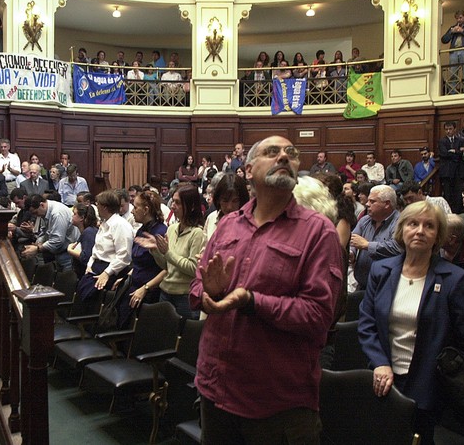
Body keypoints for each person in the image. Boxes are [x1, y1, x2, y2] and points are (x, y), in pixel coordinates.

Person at [189, 136, 342, 443]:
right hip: (216, 385)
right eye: (272, 152)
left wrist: (251, 301)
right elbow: (198, 285)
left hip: (276, 401)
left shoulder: (318, 231)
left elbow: (318, 315)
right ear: (247, 170)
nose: (284, 157)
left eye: (292, 154)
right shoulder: (229, 224)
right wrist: (209, 293)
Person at [358, 201, 464, 444]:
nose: (420, 231)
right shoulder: (381, 270)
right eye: (413, 223)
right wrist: (379, 363)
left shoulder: (455, 279)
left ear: (438, 236)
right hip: (382, 377)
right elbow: (367, 324)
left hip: (428, 382)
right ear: (402, 231)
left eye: (429, 226)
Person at [137, 183, 205, 319]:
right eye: (173, 201)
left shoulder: (197, 233)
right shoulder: (172, 229)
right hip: (165, 292)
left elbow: (193, 269)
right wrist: (156, 250)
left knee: (182, 338)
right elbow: (166, 265)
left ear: (191, 206)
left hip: (184, 297)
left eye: (178, 203)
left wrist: (167, 252)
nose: (172, 206)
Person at [117, 191, 168, 329]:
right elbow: (140, 261)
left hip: (148, 291)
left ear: (146, 210)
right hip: (135, 284)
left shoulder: (161, 232)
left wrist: (145, 288)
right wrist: (127, 277)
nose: (132, 211)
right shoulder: (142, 230)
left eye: (136, 207)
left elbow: (167, 269)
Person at [76, 190, 133, 309]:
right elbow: (97, 248)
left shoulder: (120, 225)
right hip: (96, 267)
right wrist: (90, 265)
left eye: (98, 205)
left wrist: (107, 273)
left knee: (90, 300)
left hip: (110, 270)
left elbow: (124, 256)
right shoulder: (104, 223)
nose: (96, 208)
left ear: (105, 207)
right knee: (80, 295)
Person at [350, 185, 401, 289]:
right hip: (362, 283)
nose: (367, 204)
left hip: (387, 286)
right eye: (368, 201)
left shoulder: (400, 222)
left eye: (372, 202)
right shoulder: (365, 220)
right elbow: (353, 240)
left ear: (387, 204)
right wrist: (351, 253)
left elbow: (397, 247)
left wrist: (368, 245)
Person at [21, 194, 79, 272]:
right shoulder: (45, 211)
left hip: (68, 255)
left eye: (35, 212)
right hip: (59, 253)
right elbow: (44, 232)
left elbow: (57, 240)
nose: (36, 215)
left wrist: (37, 249)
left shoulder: (57, 213)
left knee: (66, 281)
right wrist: (38, 242)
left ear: (42, 205)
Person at [203, 173, 250, 240]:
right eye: (225, 201)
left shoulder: (249, 225)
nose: (229, 207)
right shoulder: (211, 218)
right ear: (218, 200)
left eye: (235, 201)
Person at [441, 10, 464, 94]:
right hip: (454, 51)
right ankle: (452, 92)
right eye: (457, 18)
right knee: (453, 72)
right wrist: (451, 32)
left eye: (460, 18)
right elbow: (444, 40)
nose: (459, 20)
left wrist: (462, 31)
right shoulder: (453, 27)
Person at [438, 121, 464, 213]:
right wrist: (457, 152)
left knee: (458, 194)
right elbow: (444, 154)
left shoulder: (460, 140)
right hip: (447, 171)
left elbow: (463, 154)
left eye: (450, 129)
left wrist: (454, 151)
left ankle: (457, 212)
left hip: (459, 171)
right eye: (446, 129)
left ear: (454, 129)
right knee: (448, 194)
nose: (448, 131)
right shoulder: (442, 141)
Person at [68, 202, 99, 279]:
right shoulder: (86, 231)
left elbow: (87, 257)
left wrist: (70, 250)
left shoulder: (89, 232)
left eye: (74, 214)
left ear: (81, 218)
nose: (72, 216)